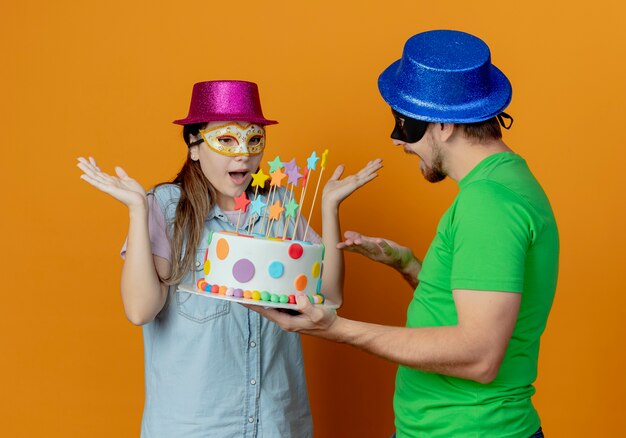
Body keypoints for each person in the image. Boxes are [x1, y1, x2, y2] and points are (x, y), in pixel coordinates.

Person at [248, 30, 559, 438]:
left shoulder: (487, 204)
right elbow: (473, 307)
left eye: (406, 122)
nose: (398, 139)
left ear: (445, 124)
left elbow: (480, 356)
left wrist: (336, 329)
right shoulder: (511, 180)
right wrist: (410, 266)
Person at [77, 80, 382, 437]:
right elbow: (140, 310)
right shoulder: (164, 208)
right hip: (195, 428)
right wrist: (135, 209)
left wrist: (330, 208)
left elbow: (330, 298)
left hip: (277, 424)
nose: (243, 154)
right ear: (194, 146)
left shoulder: (278, 207)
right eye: (225, 140)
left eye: (254, 140)